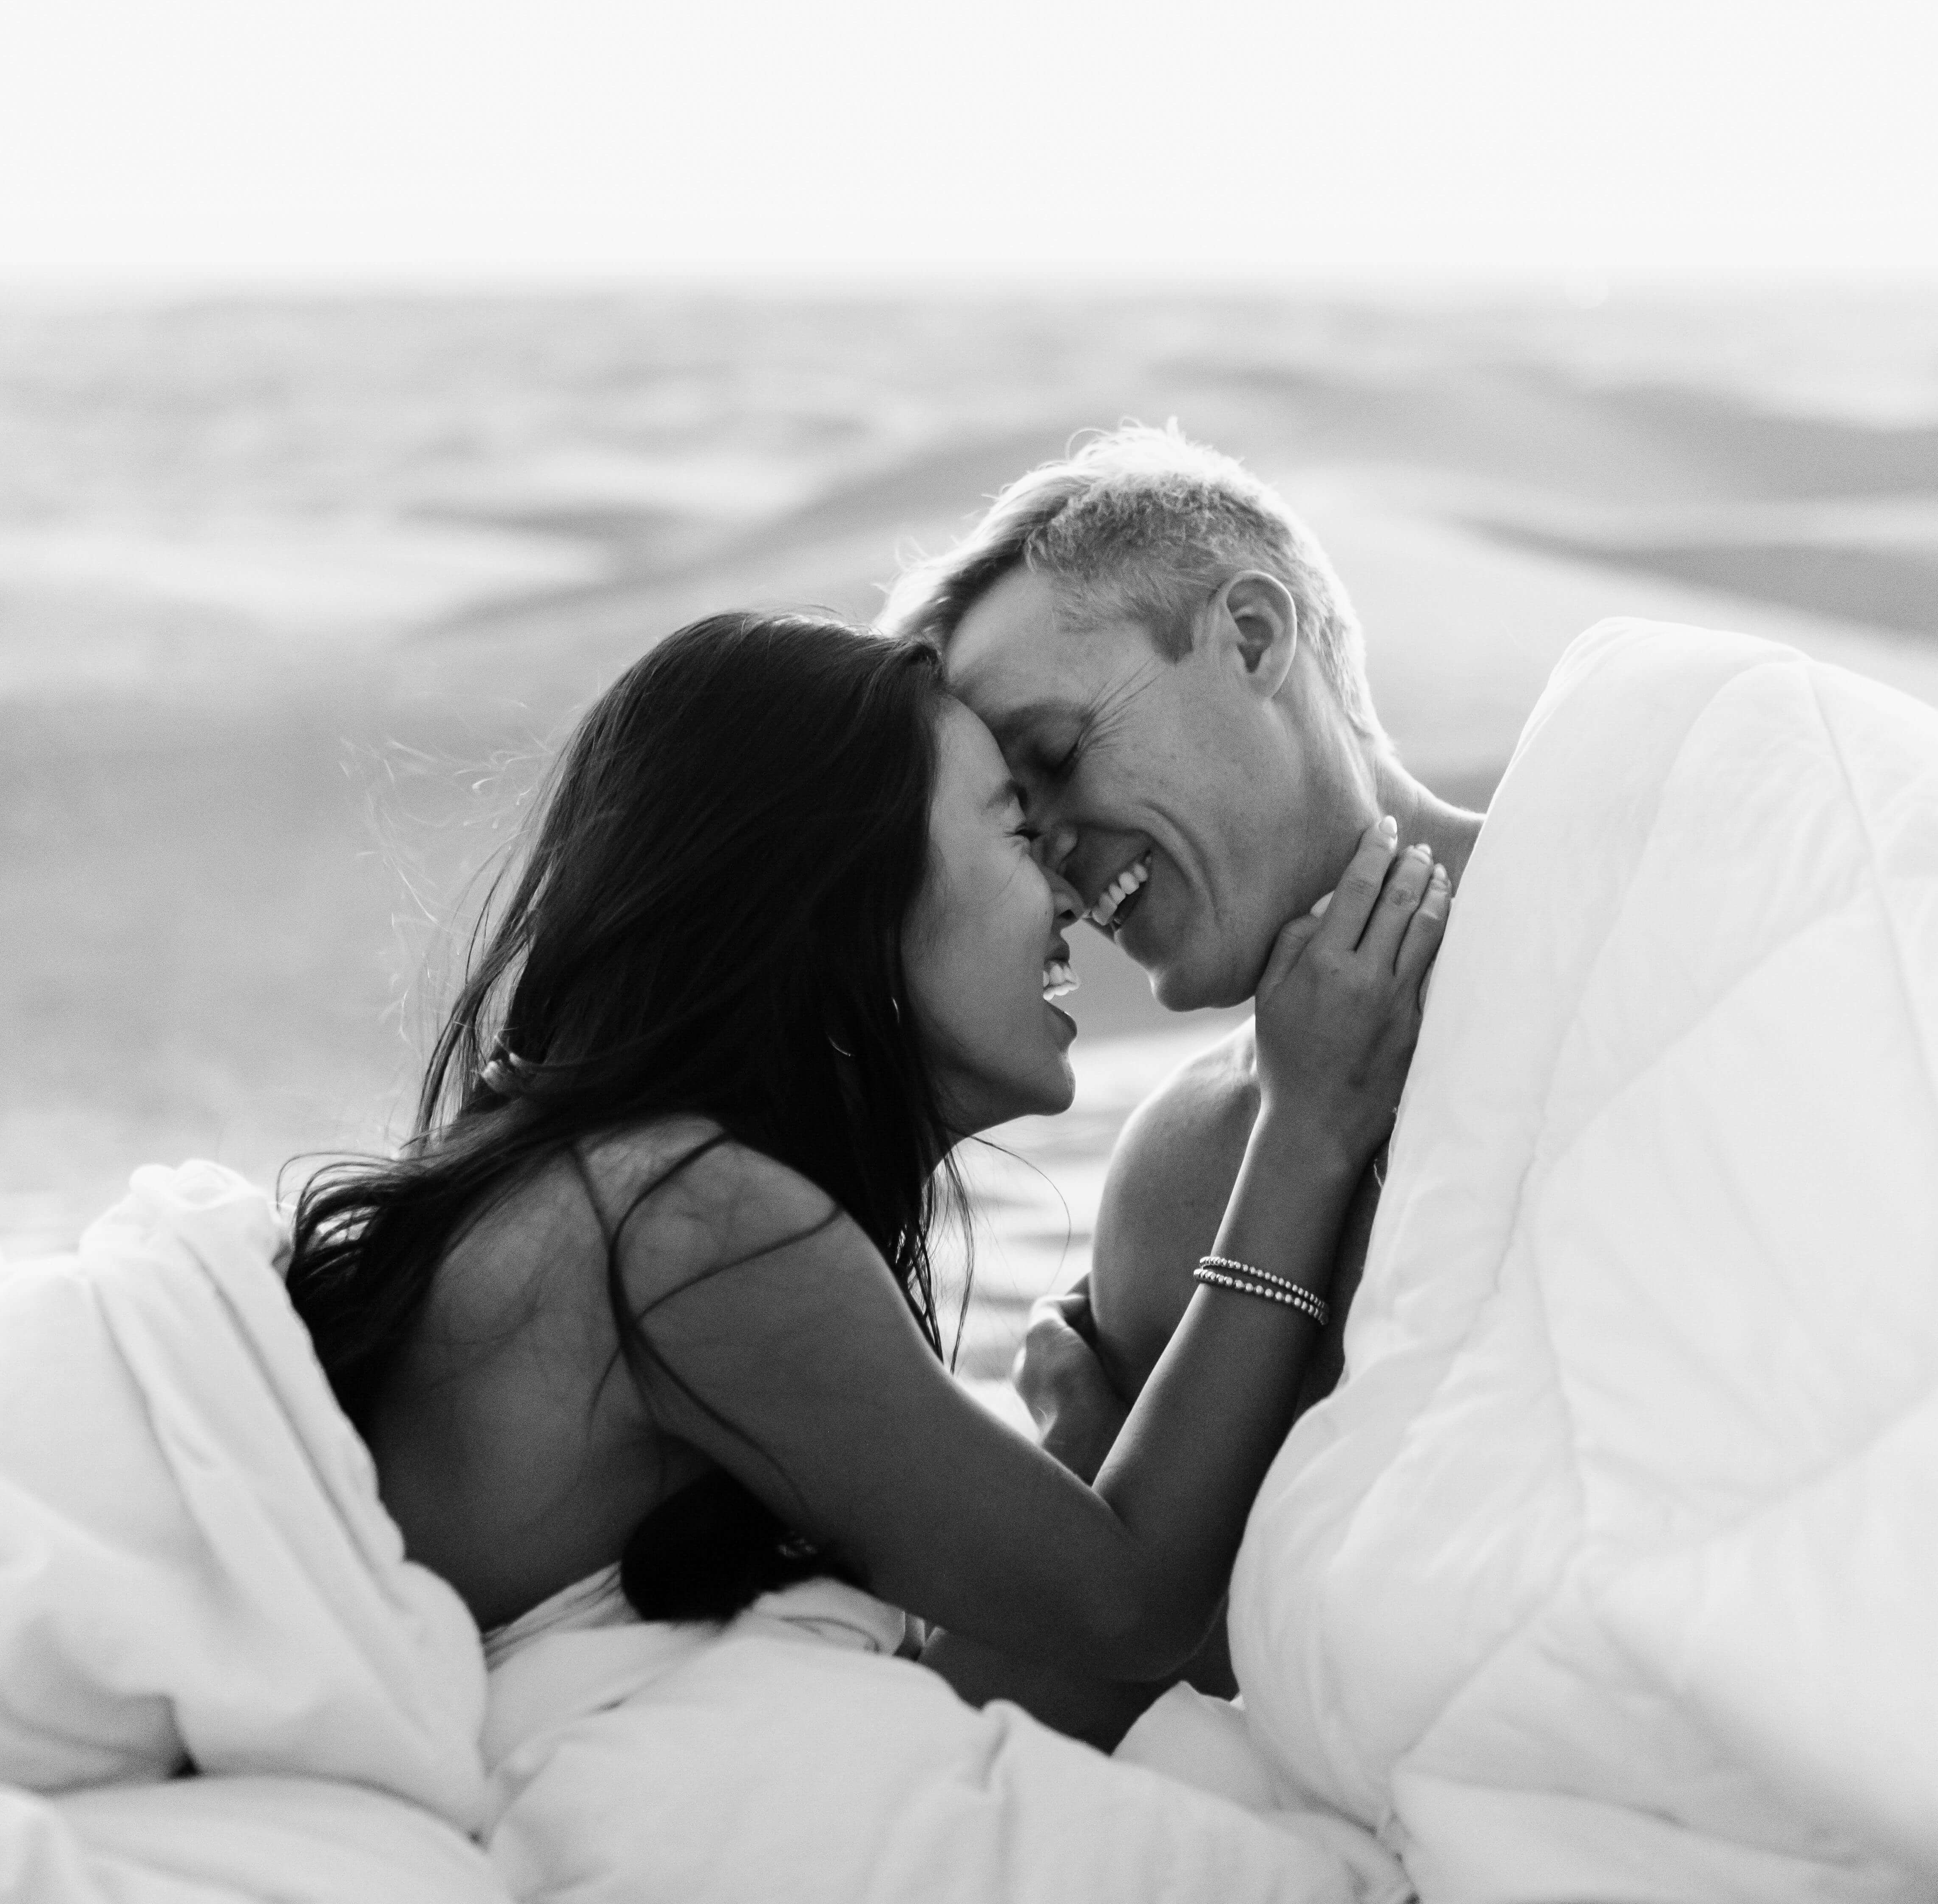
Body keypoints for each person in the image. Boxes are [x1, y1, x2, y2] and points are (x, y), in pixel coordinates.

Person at [281, 608, 1449, 1741]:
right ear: (851, 898)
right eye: (1015, 830)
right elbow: (1131, 1606)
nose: (1067, 898)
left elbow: (935, 1712)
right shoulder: (690, 1219)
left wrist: (1083, 1468)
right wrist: (1306, 1130)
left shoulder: (615, 1182)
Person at [883, 423, 1471, 1448]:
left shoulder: (1667, 892)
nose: (1056, 871)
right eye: (1018, 824)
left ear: (1253, 637)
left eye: (1058, 752)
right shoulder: (1184, 1175)